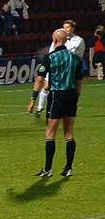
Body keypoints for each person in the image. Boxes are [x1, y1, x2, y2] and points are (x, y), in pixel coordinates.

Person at [35, 29, 82, 178]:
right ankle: (68, 168)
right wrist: (76, 97)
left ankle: (48, 169)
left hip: (57, 96)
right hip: (71, 95)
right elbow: (79, 80)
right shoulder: (74, 58)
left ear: (54, 40)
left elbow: (40, 78)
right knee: (68, 132)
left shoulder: (50, 57)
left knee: (50, 132)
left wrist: (33, 98)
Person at [29, 20, 85, 116]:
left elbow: (75, 54)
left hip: (68, 67)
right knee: (46, 86)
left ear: (73, 28)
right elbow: (52, 50)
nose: (66, 29)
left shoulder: (78, 41)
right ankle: (40, 108)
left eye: (68, 27)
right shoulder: (58, 38)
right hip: (56, 65)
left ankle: (71, 103)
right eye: (64, 27)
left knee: (70, 86)